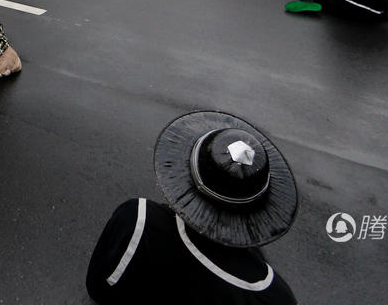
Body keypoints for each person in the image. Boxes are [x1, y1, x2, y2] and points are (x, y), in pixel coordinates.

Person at [86, 110, 298, 304]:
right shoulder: (276, 296)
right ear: (261, 208)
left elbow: (99, 287)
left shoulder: (137, 222)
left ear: (187, 175)